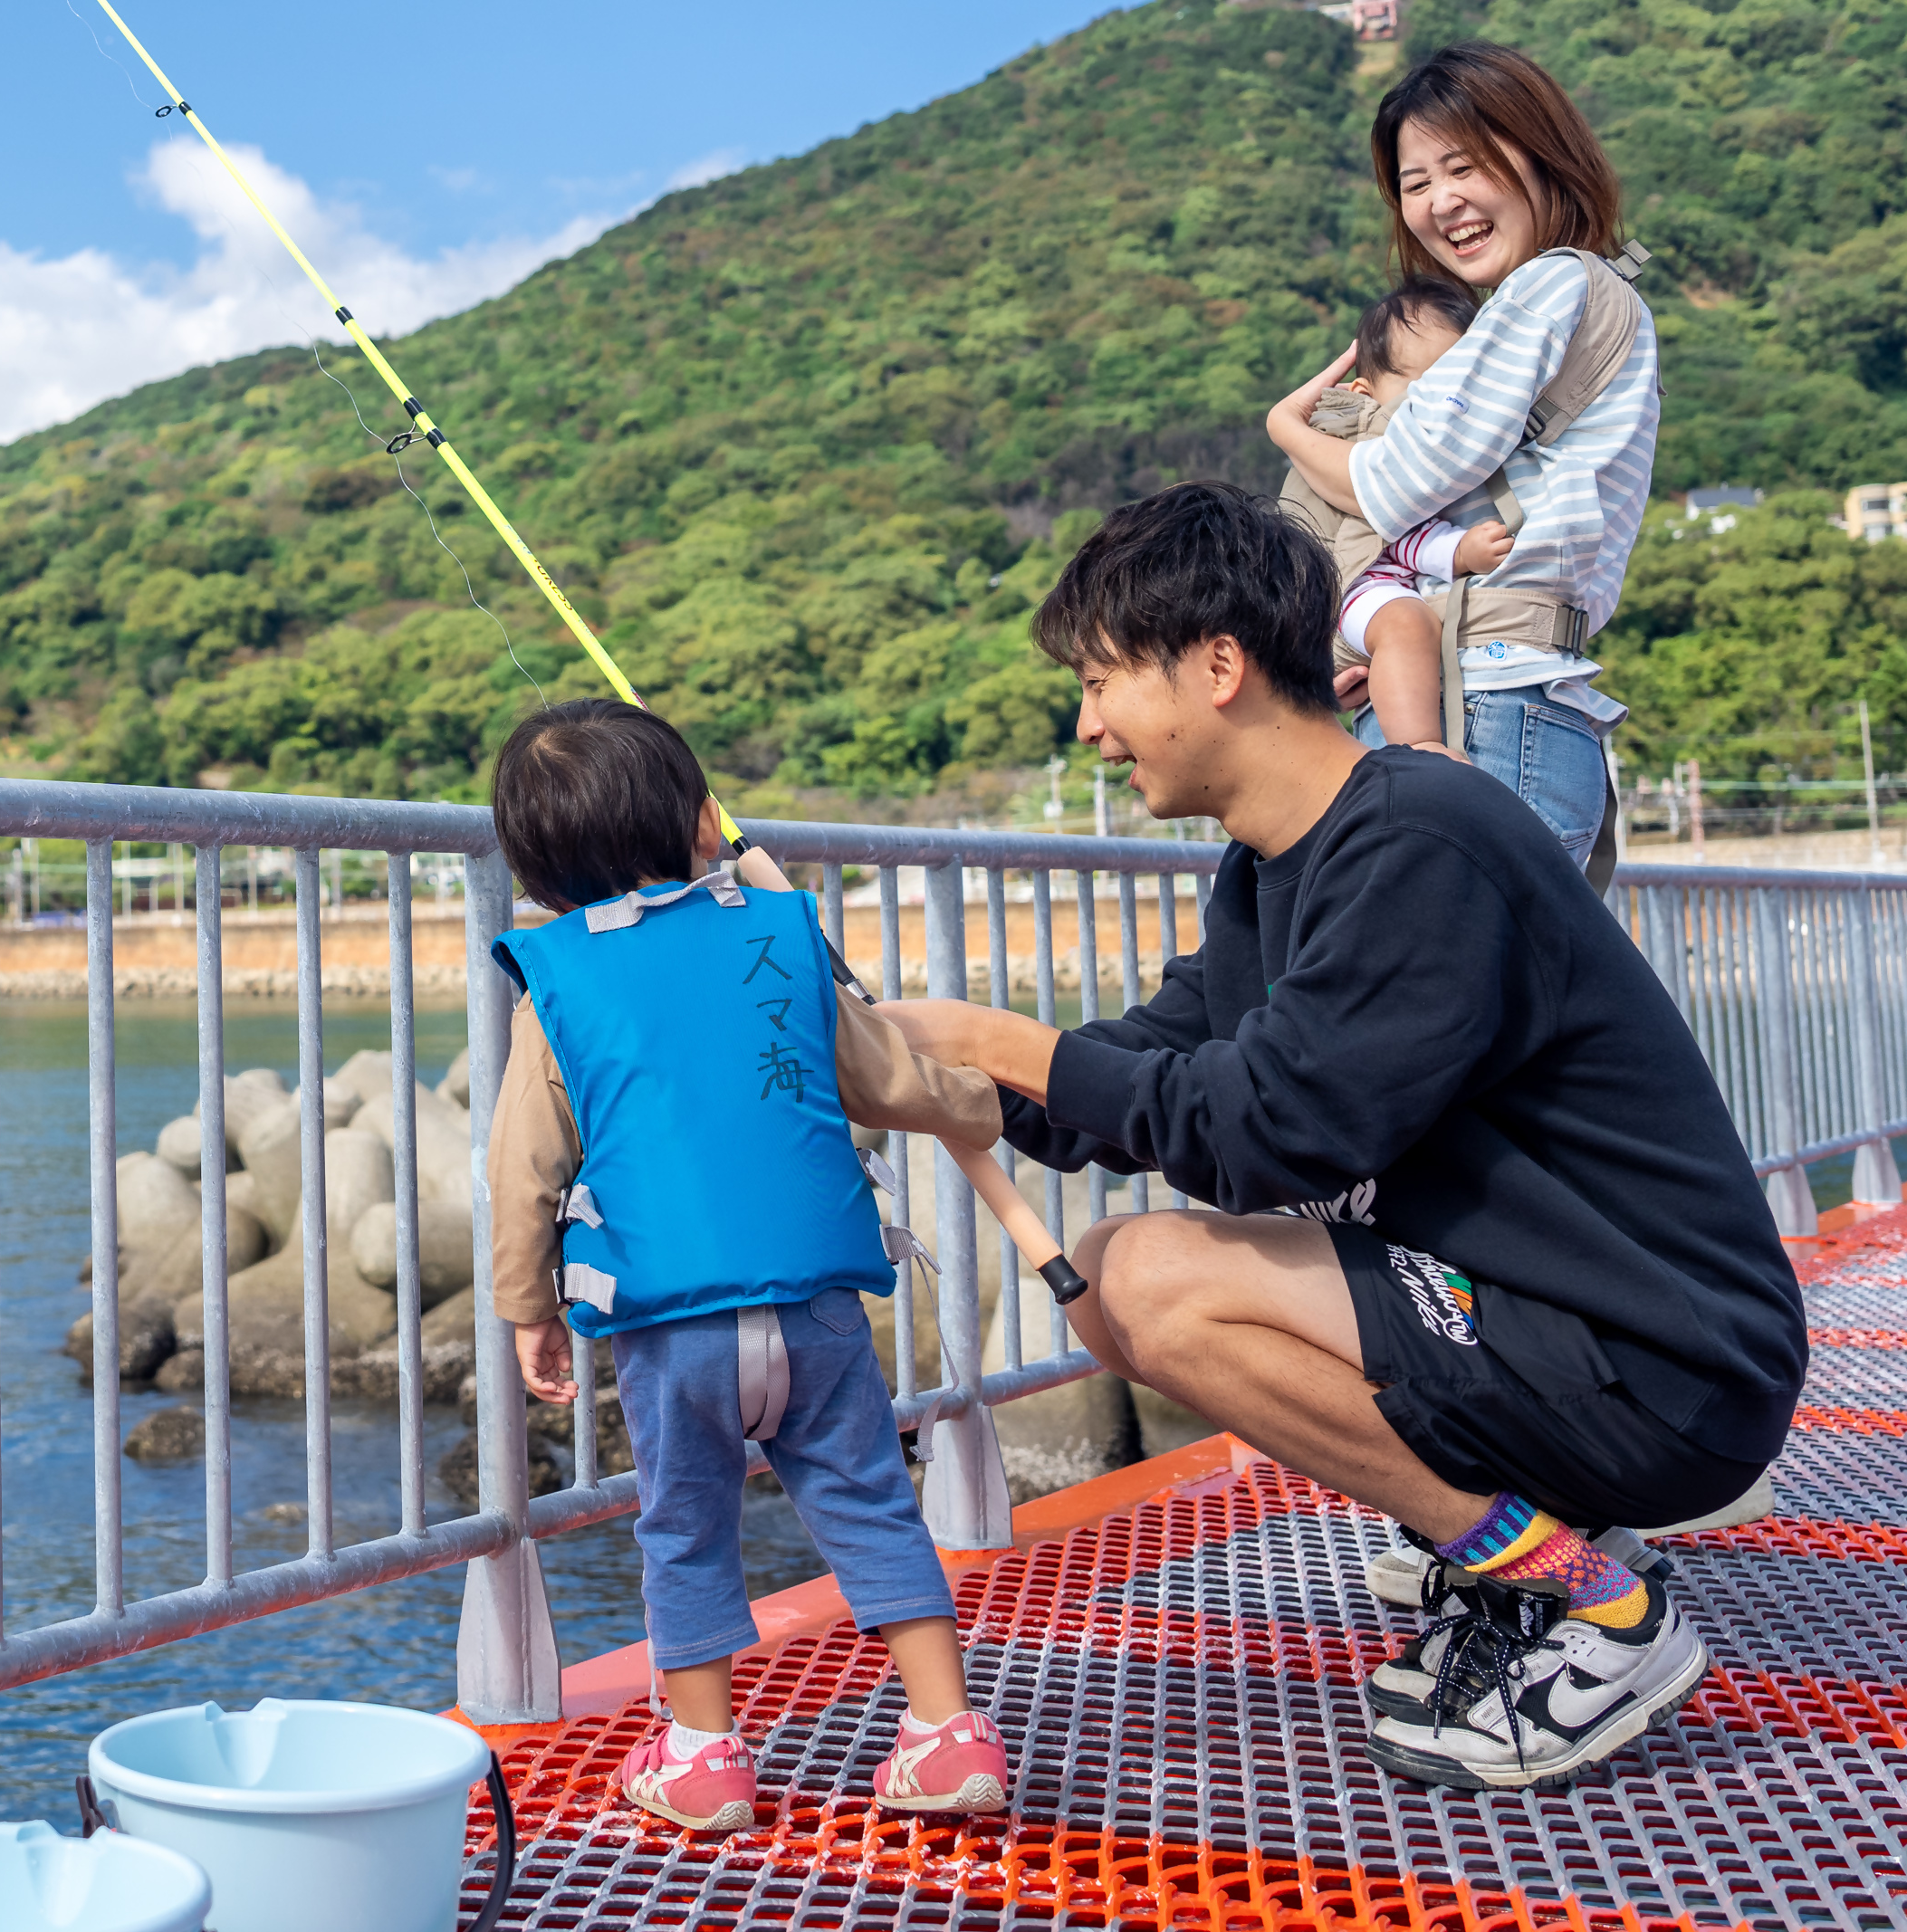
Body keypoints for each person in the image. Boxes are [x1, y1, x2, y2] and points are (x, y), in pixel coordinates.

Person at [884, 484, 1806, 1791]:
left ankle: (1601, 1607)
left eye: (1100, 682)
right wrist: (943, 1075)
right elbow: (1165, 1062)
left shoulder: (1426, 835)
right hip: (1546, 1323)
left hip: (1665, 1362)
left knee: (1141, 1276)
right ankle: (1531, 1565)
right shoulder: (1277, 864)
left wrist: (995, 1039)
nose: (1088, 725)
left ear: (1216, 666)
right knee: (1116, 1280)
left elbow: (1276, 1130)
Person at [482, 697, 1014, 1833]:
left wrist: (528, 1308)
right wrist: (989, 1101)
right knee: (871, 1500)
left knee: (682, 1524)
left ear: (536, 871)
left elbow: (522, 1169)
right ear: (700, 821)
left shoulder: (559, 984)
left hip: (672, 1330)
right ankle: (946, 1734)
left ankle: (704, 1757)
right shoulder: (774, 932)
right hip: (816, 1306)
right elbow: (885, 1080)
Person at [1266, 43, 1658, 864]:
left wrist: (1290, 430)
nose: (1443, 202)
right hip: (1503, 694)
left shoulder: (1554, 284)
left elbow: (1394, 486)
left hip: (1484, 703)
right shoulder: (1568, 299)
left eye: (1465, 167)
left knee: (1446, 978)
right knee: (1499, 983)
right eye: (1415, 184)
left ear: (1542, 153)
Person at [1286, 277, 1514, 751]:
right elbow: (1393, 528)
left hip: (1353, 602)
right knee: (1407, 624)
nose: (1447, 406)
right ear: (1366, 392)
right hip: (1351, 590)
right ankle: (1422, 747)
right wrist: (1460, 550)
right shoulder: (1361, 438)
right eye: (1425, 388)